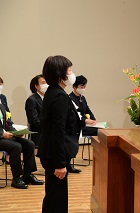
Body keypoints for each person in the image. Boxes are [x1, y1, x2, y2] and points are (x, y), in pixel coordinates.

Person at [38, 55, 81, 213]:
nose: (71, 73)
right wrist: (60, 164)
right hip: (55, 155)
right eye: (69, 70)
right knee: (56, 199)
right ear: (59, 73)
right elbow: (58, 131)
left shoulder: (53, 92)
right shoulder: (59, 96)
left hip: (51, 153)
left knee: (54, 196)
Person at [0, 105, 44, 189]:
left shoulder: (1, 102)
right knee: (16, 146)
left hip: (5, 136)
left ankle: (27, 174)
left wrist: (15, 132)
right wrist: (2, 134)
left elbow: (8, 122)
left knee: (29, 144)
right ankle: (16, 178)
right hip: (1, 137)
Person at [68, 75, 98, 173]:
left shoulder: (82, 98)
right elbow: (76, 115)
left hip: (83, 125)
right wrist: (85, 120)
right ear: (74, 86)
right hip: (76, 127)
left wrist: (94, 120)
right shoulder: (70, 98)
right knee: (99, 132)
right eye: (81, 86)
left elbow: (88, 110)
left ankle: (99, 155)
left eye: (84, 86)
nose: (83, 89)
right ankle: (68, 164)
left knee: (101, 130)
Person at [25, 74, 48, 147]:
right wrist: (48, 126)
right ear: (36, 86)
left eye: (47, 82)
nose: (46, 85)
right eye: (43, 83)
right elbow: (33, 120)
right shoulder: (32, 100)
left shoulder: (49, 98)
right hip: (39, 132)